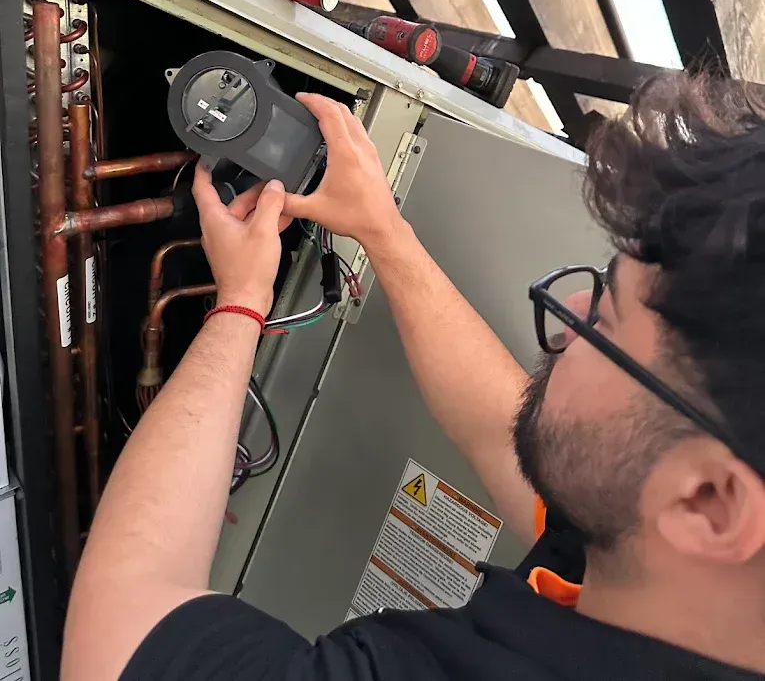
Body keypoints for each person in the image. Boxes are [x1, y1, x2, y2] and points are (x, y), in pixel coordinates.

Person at [61, 74, 765, 681]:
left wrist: (241, 304)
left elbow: (125, 618)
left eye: (604, 323)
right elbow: (501, 428)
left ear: (709, 503)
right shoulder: (669, 575)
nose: (571, 311)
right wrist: (382, 231)